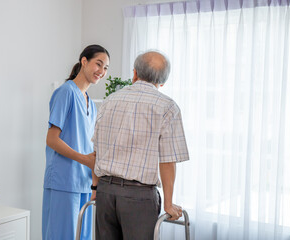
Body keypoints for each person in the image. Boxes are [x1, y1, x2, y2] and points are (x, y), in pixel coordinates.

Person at [91, 50, 189, 240]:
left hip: (105, 192)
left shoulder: (110, 101)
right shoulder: (167, 107)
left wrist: (95, 189)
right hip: (138, 197)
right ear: (162, 82)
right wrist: (168, 203)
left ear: (134, 73)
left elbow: (97, 150)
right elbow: (168, 160)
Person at [42, 44, 110, 240]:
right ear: (84, 61)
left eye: (106, 68)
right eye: (99, 64)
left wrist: (94, 187)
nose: (102, 72)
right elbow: (52, 139)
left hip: (84, 184)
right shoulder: (65, 92)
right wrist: (85, 160)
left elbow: (91, 149)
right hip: (63, 181)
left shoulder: (91, 103)